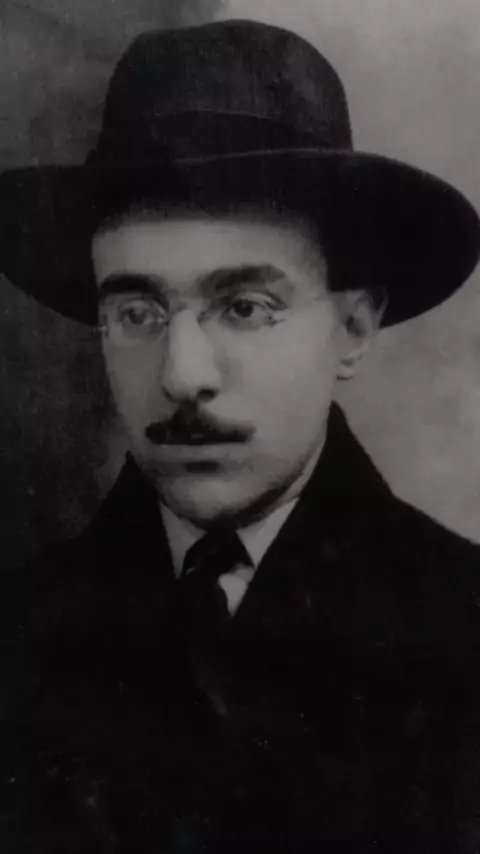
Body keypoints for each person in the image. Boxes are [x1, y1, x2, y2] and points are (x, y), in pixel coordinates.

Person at [1, 18, 480, 854]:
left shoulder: (463, 630)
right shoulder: (18, 635)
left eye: (245, 307)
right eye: (137, 313)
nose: (182, 375)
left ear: (354, 328)